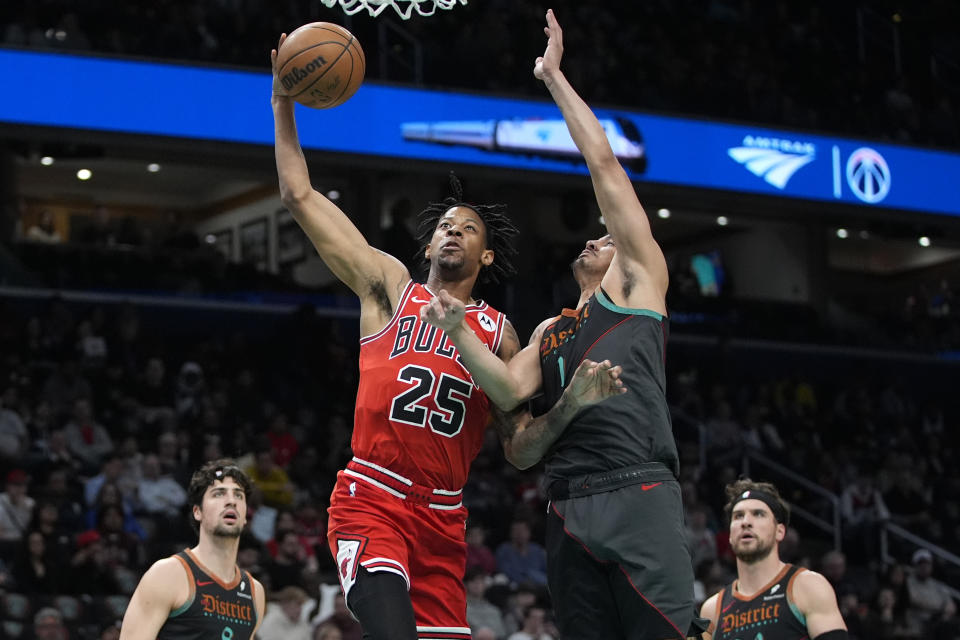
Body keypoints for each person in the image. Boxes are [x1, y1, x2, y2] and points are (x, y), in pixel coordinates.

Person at [419, 9, 696, 639]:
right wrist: (459, 332)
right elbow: (512, 408)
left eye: (608, 234)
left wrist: (553, 77)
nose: (599, 237)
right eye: (596, 234)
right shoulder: (551, 330)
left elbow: (603, 165)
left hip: (638, 493)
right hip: (567, 509)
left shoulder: (638, 283)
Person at [272, 31, 528, 640]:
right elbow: (298, 194)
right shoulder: (389, 288)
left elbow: (517, 440)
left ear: (486, 256)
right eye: (443, 225)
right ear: (428, 244)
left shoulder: (500, 333)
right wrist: (282, 102)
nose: (452, 233)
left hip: (444, 517)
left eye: (466, 229)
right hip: (372, 499)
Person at [118, 459, 265, 640]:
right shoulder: (167, 574)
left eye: (238, 495)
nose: (231, 501)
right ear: (198, 512)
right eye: (219, 494)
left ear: (244, 518)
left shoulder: (254, 592)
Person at [699, 479, 848, 640]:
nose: (746, 522)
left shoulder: (807, 587)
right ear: (730, 535)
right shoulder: (712, 610)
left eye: (758, 514)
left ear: (780, 531)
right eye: (738, 516)